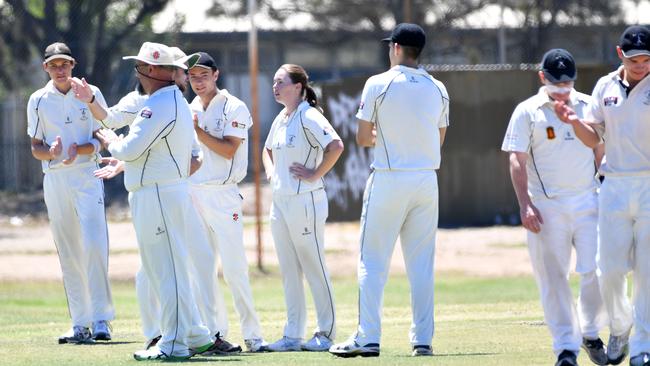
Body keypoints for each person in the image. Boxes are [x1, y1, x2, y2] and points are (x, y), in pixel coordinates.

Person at [69, 47, 236, 353]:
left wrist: (111, 141)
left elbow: (130, 149)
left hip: (158, 192)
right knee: (168, 267)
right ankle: (195, 334)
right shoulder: (167, 101)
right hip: (158, 191)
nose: (139, 70)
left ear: (155, 71)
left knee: (166, 268)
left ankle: (172, 342)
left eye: (144, 66)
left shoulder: (160, 103)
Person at [329, 23, 448, 358]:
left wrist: (390, 139)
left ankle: (368, 337)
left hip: (389, 176)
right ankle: (422, 339)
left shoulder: (378, 83)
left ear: (396, 48)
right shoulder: (438, 88)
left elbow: (363, 138)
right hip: (426, 178)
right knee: (422, 264)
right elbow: (438, 139)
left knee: (372, 261)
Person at [502, 48, 609, 366]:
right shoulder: (528, 111)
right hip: (547, 206)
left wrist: (606, 192)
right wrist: (525, 205)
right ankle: (565, 347)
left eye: (568, 82)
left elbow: (600, 151)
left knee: (599, 271)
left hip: (589, 200)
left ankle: (590, 331)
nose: (562, 88)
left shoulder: (589, 105)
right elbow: (516, 159)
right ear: (542, 78)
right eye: (556, 82)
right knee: (553, 277)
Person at [554, 25, 650, 366]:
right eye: (635, 58)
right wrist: (570, 121)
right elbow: (592, 137)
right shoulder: (605, 86)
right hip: (614, 186)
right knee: (608, 270)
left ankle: (642, 347)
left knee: (646, 270)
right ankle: (621, 326)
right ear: (620, 53)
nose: (641, 65)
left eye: (647, 59)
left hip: (649, 184)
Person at [26, 42, 114, 344]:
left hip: (88, 175)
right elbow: (35, 147)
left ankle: (101, 320)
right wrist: (51, 153)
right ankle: (80, 323)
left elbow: (103, 138)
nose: (60, 69)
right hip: (56, 178)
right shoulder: (38, 100)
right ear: (46, 68)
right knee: (68, 249)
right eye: (54, 65)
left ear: (73, 64)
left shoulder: (90, 92)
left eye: (64, 63)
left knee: (93, 242)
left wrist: (83, 149)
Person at [187, 52, 267, 353]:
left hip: (224, 194)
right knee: (202, 270)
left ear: (216, 74)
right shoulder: (190, 107)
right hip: (195, 193)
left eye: (203, 75)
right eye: (193, 76)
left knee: (234, 268)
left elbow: (229, 149)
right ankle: (214, 333)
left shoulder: (234, 105)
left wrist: (197, 131)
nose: (197, 81)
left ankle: (253, 334)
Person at [262, 64, 343, 352]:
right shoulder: (281, 118)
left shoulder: (309, 115)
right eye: (274, 81)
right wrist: (271, 170)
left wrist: (315, 174)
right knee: (288, 270)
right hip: (280, 203)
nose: (275, 86)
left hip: (305, 200)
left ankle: (326, 332)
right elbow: (267, 149)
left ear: (298, 87)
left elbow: (336, 146)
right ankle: (292, 335)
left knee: (313, 265)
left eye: (281, 82)